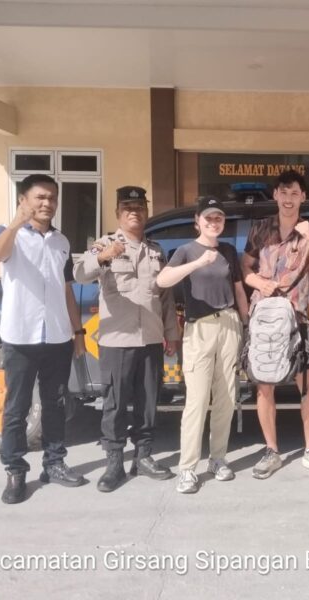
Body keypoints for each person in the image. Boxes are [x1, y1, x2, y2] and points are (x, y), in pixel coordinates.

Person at [74, 186, 180, 492]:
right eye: (128, 208)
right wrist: (103, 257)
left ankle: (143, 457)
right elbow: (80, 273)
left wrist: (171, 334)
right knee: (115, 404)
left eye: (139, 207)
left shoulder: (156, 250)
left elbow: (165, 297)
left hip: (151, 339)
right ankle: (114, 463)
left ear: (146, 211)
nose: (134, 212)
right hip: (117, 340)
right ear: (118, 213)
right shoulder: (104, 244)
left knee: (148, 402)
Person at [0, 174, 86, 504]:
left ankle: (54, 463)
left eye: (52, 198)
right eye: (40, 197)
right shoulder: (8, 234)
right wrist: (16, 223)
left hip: (57, 336)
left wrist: (78, 333)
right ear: (23, 200)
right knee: (17, 408)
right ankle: (15, 470)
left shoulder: (61, 241)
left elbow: (67, 290)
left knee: (56, 404)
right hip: (21, 336)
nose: (47, 203)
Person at [241, 170, 309, 479]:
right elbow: (246, 269)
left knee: (308, 386)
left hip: (297, 320)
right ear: (275, 196)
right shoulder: (260, 229)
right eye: (284, 192)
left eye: (295, 193)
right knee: (264, 386)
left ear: (303, 197)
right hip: (265, 320)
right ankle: (272, 451)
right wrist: (259, 283)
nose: (289, 199)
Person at [156, 196, 249, 494]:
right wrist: (197, 262)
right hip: (199, 328)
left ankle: (218, 458)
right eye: (208, 218)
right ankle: (187, 468)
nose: (213, 222)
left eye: (218, 218)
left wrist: (246, 323)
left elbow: (238, 289)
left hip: (229, 324)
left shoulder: (228, 250)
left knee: (226, 397)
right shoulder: (185, 251)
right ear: (197, 221)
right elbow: (163, 280)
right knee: (196, 401)